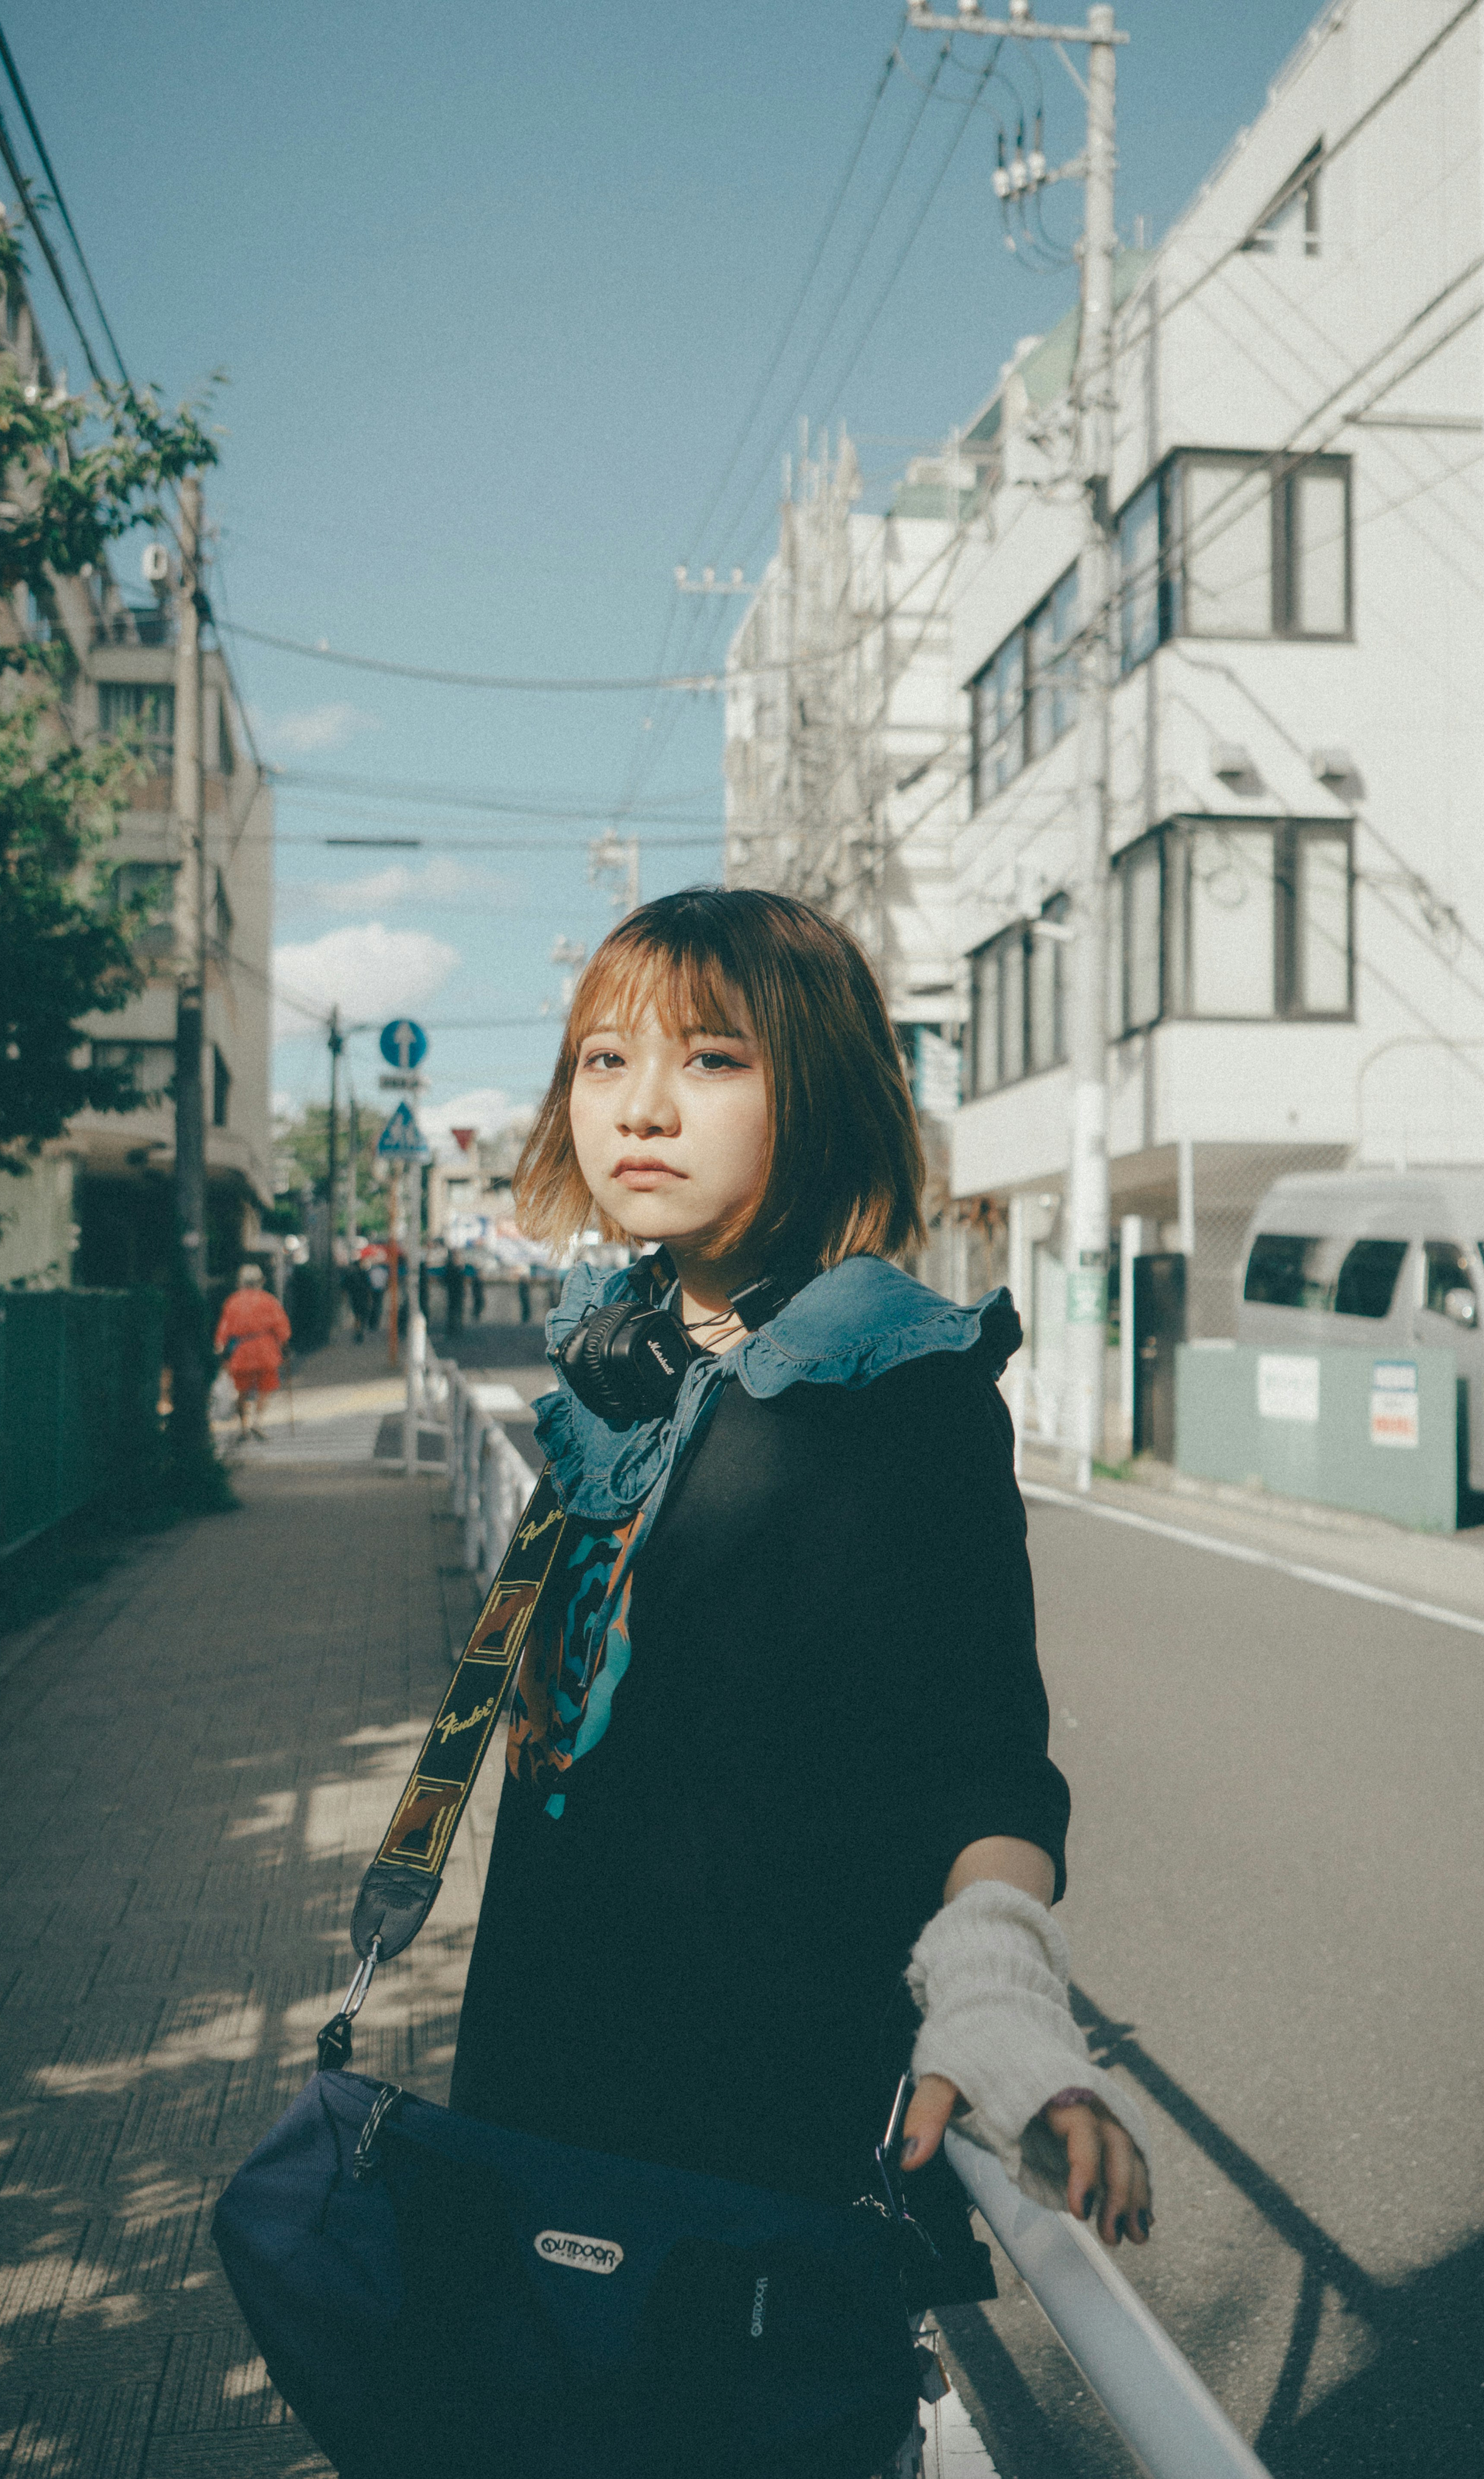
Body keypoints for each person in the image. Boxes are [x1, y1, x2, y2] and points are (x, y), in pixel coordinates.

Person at [449, 890, 1150, 2479]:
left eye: (710, 1057)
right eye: (605, 1057)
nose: (638, 1103)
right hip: (536, 2092)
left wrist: (998, 2005)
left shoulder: (897, 1385)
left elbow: (987, 1762)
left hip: (748, 2150)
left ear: (818, 1084)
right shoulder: (616, 1360)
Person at [212, 1263, 291, 1440]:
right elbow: (282, 1329)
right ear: (260, 1281)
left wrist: (221, 1347)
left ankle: (243, 1428)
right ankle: (257, 1421)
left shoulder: (233, 1301)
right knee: (266, 1386)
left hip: (242, 1350)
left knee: (242, 1390)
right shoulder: (269, 1301)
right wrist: (284, 1346)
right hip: (265, 1349)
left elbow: (224, 1331)